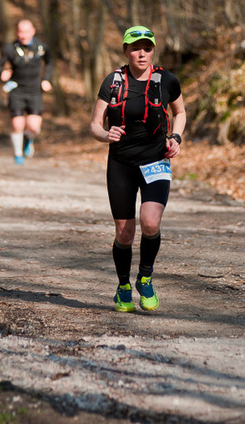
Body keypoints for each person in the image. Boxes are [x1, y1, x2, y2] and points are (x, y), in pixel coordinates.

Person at [88, 26, 186, 313]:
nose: (141, 53)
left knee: (151, 221)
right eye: (134, 47)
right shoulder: (113, 81)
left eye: (146, 47)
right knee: (125, 233)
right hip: (121, 163)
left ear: (153, 49)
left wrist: (176, 138)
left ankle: (145, 276)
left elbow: (179, 112)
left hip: (156, 159)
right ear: (125, 51)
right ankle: (122, 287)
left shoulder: (166, 80)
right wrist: (106, 134)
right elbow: (94, 123)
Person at [0, 19, 53, 164]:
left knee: (33, 126)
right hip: (17, 90)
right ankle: (18, 154)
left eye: (26, 32)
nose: (23, 35)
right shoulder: (9, 49)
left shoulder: (41, 47)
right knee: (17, 124)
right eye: (20, 32)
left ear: (33, 31)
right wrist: (1, 73)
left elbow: (50, 63)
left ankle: (28, 138)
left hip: (35, 91)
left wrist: (46, 79)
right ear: (16, 32)